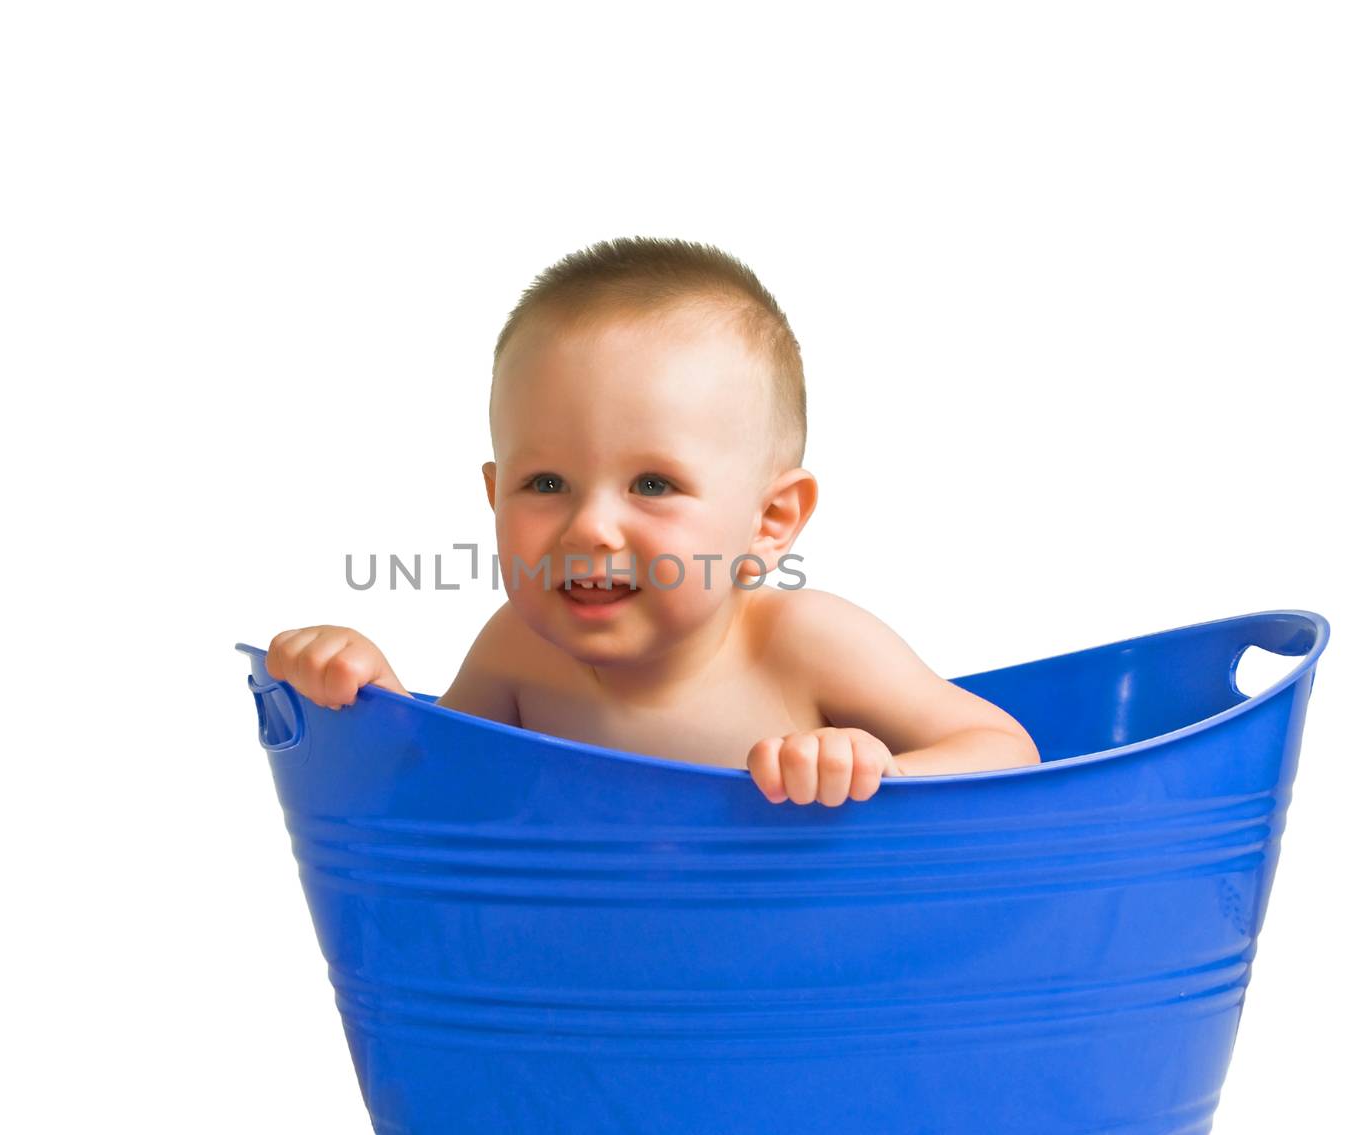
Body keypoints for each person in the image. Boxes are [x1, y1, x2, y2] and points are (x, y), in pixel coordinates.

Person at [267, 237, 1039, 806]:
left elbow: (1009, 750)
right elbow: (427, 801)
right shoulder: (518, 653)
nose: (592, 527)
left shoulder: (804, 644)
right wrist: (368, 695)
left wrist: (879, 768)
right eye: (545, 482)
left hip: (801, 989)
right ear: (494, 494)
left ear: (770, 520)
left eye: (652, 482)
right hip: (603, 989)